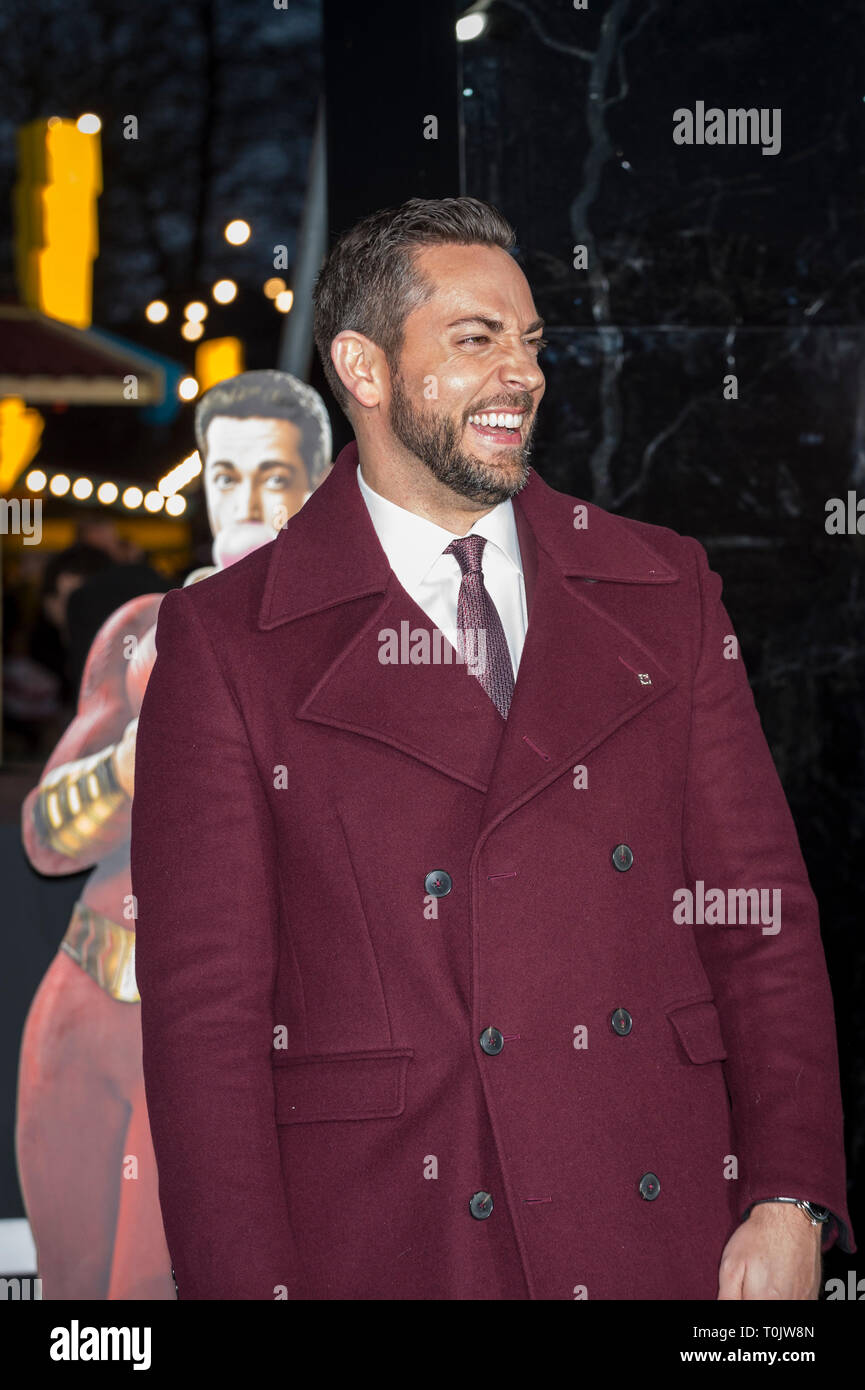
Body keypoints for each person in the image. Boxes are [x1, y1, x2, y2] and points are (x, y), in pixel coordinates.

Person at [130, 198, 854, 1302]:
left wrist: (790, 1197)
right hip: (394, 1236)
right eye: (476, 340)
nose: (522, 374)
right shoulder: (228, 642)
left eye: (530, 342)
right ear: (362, 370)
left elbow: (758, 921)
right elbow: (207, 1028)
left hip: (661, 1226)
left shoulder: (662, 588)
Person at [16, 370, 331, 1299]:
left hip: (210, 1033)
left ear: (318, 485)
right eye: (226, 476)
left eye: (275, 477)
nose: (248, 500)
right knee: (69, 1303)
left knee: (139, 1299)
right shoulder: (143, 629)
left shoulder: (358, 648)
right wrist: (132, 763)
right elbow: (46, 835)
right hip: (77, 1007)